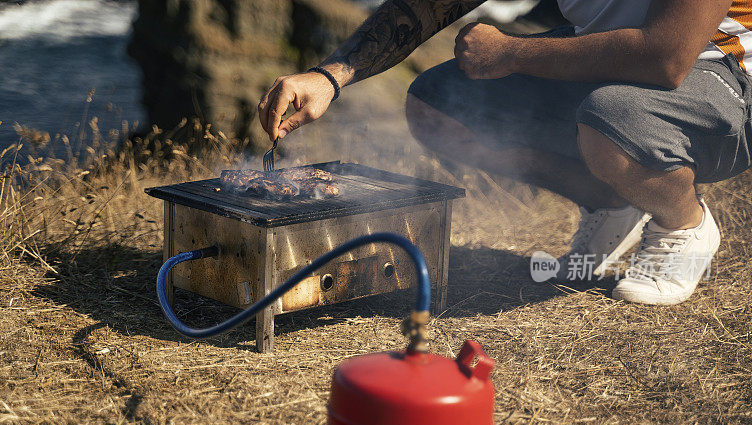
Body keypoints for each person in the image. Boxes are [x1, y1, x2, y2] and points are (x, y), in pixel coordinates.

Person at [258, 0, 751, 305]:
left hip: (725, 73)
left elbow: (665, 56)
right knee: (439, 103)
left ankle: (683, 224)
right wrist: (328, 77)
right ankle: (612, 201)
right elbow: (428, 6)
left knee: (613, 117)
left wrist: (512, 52)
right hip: (617, 63)